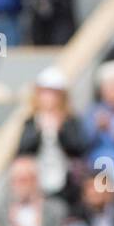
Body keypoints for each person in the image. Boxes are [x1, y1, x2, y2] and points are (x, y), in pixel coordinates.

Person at [16, 66, 86, 202]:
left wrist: (61, 130)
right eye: (44, 93)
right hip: (38, 178)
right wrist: (38, 130)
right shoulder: (31, 120)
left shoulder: (70, 120)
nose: (48, 98)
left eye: (53, 94)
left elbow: (77, 149)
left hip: (66, 179)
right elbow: (22, 150)